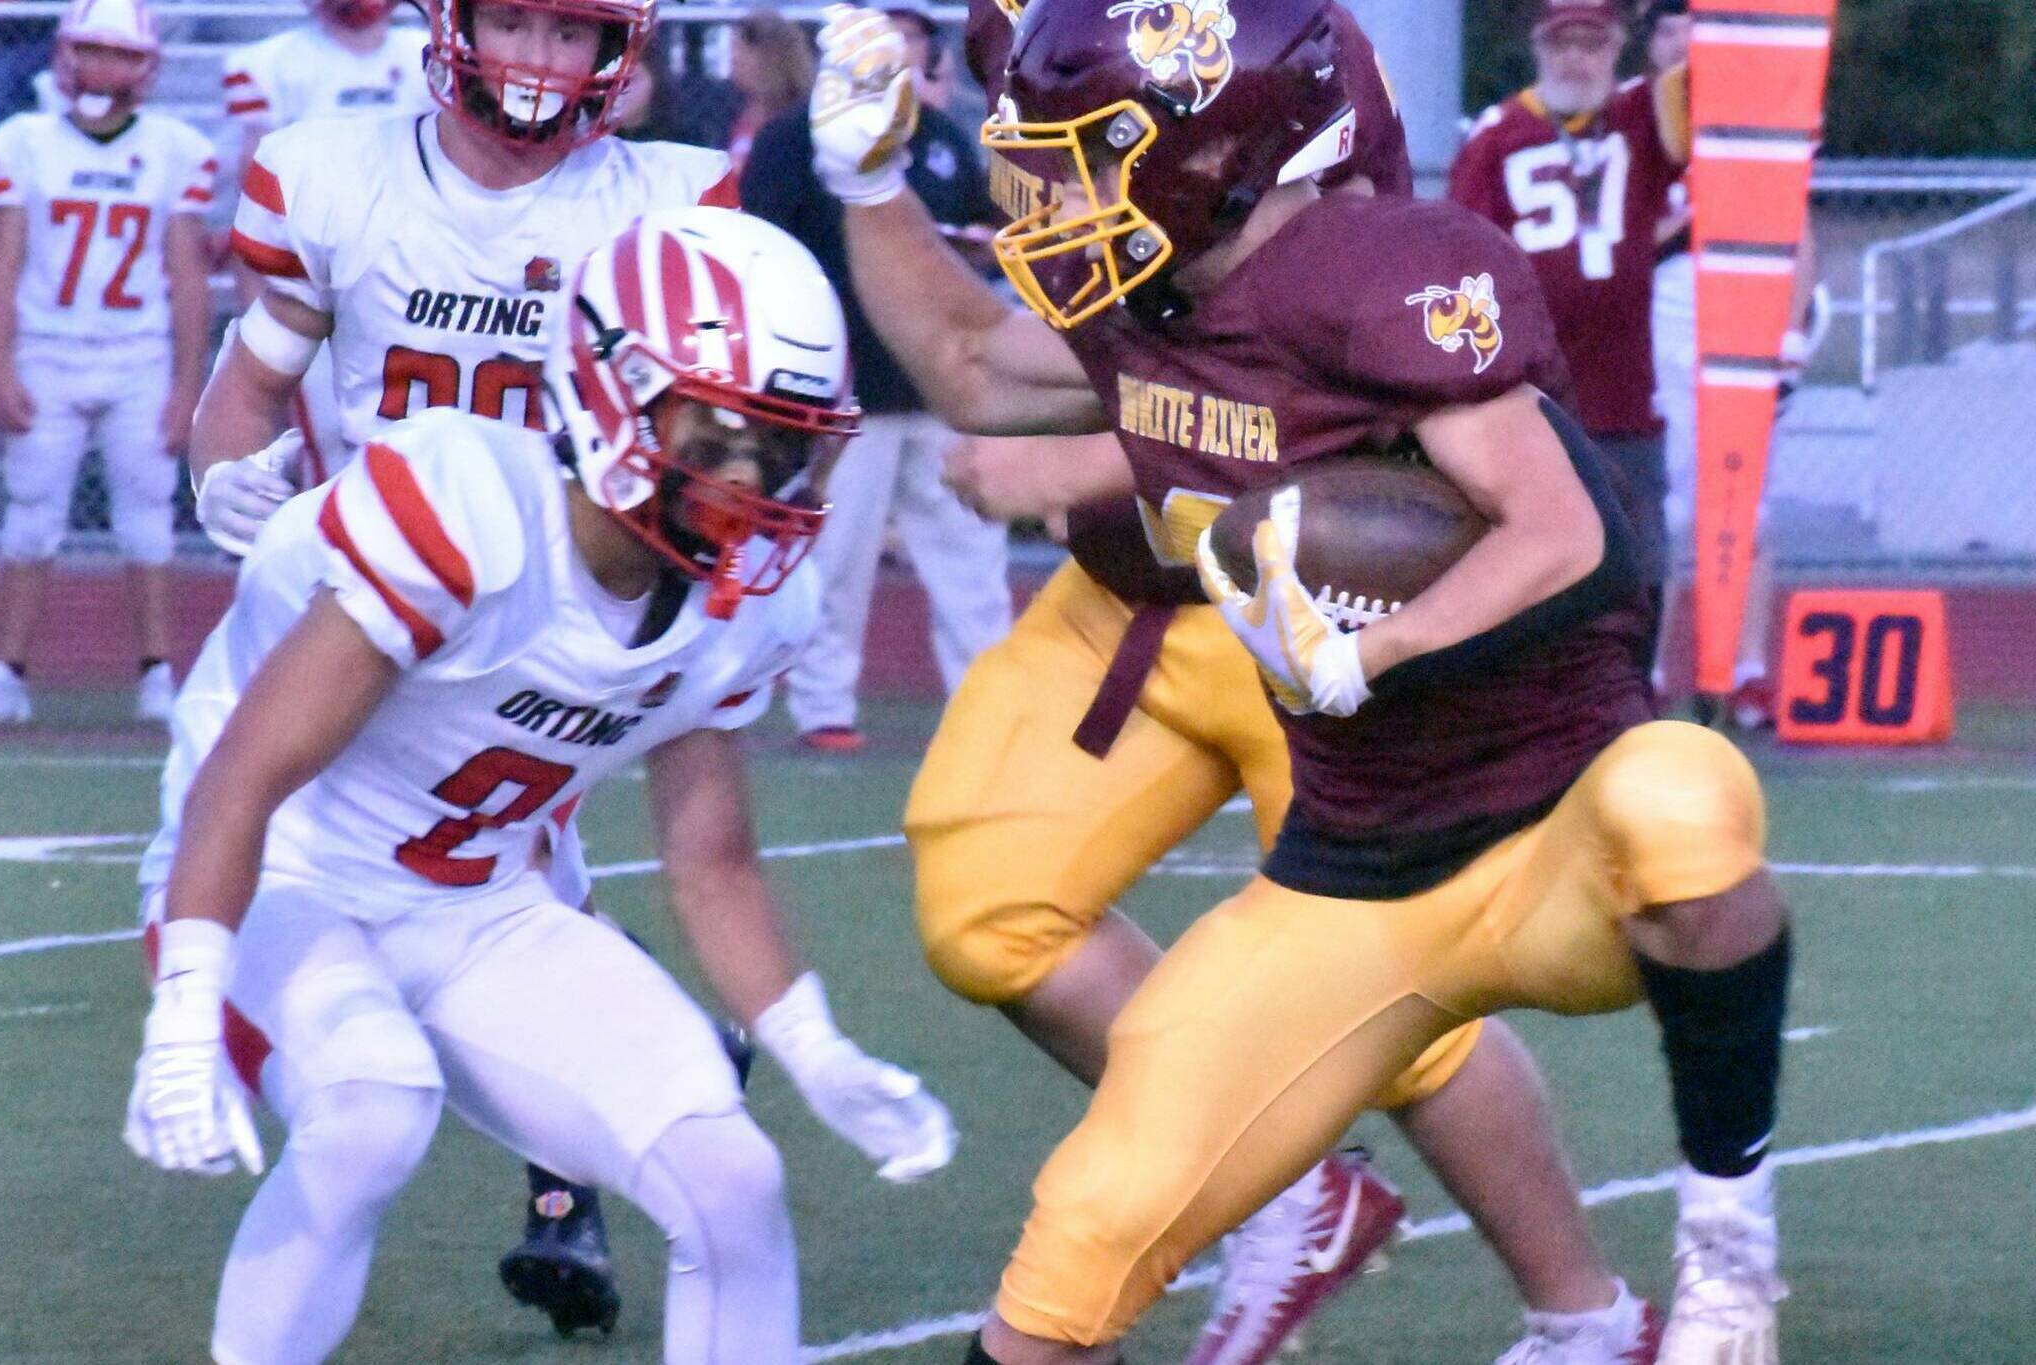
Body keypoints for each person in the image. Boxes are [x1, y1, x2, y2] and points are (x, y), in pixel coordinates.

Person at [809, 1, 1795, 1361]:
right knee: (1082, 1234)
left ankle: (1728, 1259)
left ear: (1213, 150)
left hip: (1546, 842)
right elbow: (970, 361)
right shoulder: (1146, 302)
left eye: (1095, 157)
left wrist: (1367, 650)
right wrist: (864, 183)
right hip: (1348, 884)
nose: (1062, 199)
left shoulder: (1376, 272)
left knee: (1684, 796)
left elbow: (1574, 532)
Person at [121, 206, 956, 1365]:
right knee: (371, 1110)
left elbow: (710, 860)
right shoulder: (468, 508)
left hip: (478, 903)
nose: (748, 480)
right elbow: (243, 777)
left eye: (779, 448)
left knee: (731, 1178)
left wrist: (813, 1049)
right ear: (616, 394)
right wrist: (185, 1007)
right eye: (717, 436)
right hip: (281, 878)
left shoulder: (753, 603)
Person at [187, 0, 739, 1335]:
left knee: (500, 864)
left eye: (574, 33)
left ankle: (586, 1145)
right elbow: (249, 380)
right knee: (441, 866)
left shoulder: (669, 201)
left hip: (545, 595)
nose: (541, 62)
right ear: (451, 21)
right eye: (519, 23)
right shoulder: (336, 175)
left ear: (619, 51)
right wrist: (221, 478)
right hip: (369, 597)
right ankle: (598, 1121)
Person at [743, 2, 1009, 754]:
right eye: (886, 33)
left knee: (972, 558)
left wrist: (986, 249)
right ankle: (824, 706)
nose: (900, 47)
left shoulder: (942, 138)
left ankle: (985, 706)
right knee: (835, 560)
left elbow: (988, 233)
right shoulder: (790, 142)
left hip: (942, 388)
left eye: (915, 36)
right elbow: (763, 250)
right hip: (843, 391)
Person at [1448, 0, 1688, 677]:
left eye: (1590, 42)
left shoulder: (1642, 118)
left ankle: (1635, 691)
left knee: (1640, 558)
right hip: (1534, 394)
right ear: (1537, 47)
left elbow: (1709, 85)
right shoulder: (1497, 137)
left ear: (1616, 47)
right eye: (1562, 43)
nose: (1575, 58)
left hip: (1624, 390)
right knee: (1535, 555)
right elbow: (1465, 256)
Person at [0, 0, 211, 726]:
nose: (104, 69)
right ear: (66, 54)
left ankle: (155, 672)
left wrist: (186, 386)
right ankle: (8, 670)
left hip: (136, 355)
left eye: (119, 54)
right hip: (47, 351)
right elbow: (5, 265)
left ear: (145, 66)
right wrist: (0, 365)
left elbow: (186, 276)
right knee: (29, 519)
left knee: (149, 519)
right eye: (93, 51)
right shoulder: (23, 142)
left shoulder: (177, 147)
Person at [1639, 0, 1822, 729]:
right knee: (1659, 504)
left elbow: (1795, 224)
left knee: (1749, 499)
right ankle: (1649, 670)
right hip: (1661, 305)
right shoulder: (1634, 121)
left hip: (1744, 302)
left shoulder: (1752, 111)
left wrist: (1791, 336)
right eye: (1669, 28)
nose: (1685, 39)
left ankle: (1746, 670)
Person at [219, 0, 435, 485]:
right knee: (328, 447)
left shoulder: (428, 55)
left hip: (415, 275)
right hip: (312, 281)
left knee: (419, 440)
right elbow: (256, 199)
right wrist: (257, 309)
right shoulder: (269, 64)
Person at [724, 9, 816, 172]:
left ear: (770, 56)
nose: (734, 61)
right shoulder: (734, 112)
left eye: (741, 51)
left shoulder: (798, 121)